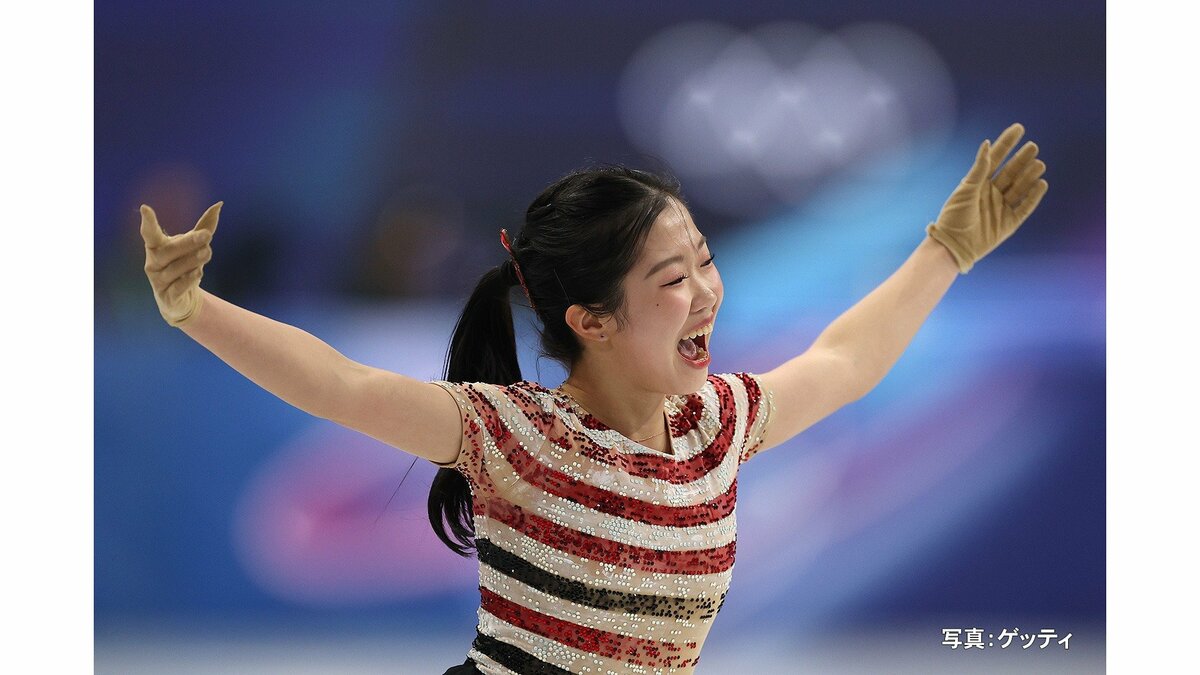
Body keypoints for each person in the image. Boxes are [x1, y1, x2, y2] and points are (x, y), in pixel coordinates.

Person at [139, 123, 1047, 674]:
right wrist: (194, 309)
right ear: (593, 319)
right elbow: (337, 382)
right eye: (670, 279)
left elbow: (844, 360)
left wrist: (947, 251)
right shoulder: (515, 436)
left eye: (705, 261)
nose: (707, 292)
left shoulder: (717, 425)